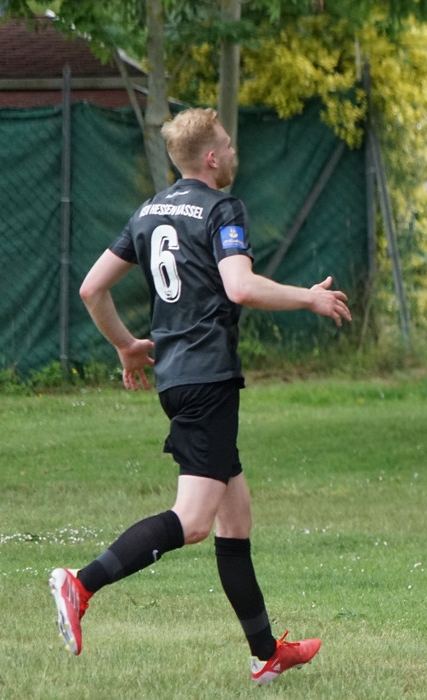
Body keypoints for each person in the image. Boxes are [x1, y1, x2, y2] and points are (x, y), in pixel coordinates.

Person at [48, 107, 352, 686]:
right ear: (211, 158)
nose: (234, 152)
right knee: (191, 522)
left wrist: (127, 346)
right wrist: (308, 298)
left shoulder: (148, 211)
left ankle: (266, 654)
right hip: (208, 379)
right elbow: (240, 286)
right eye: (228, 145)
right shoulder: (221, 208)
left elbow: (91, 288)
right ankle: (80, 584)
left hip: (178, 378)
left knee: (235, 519)